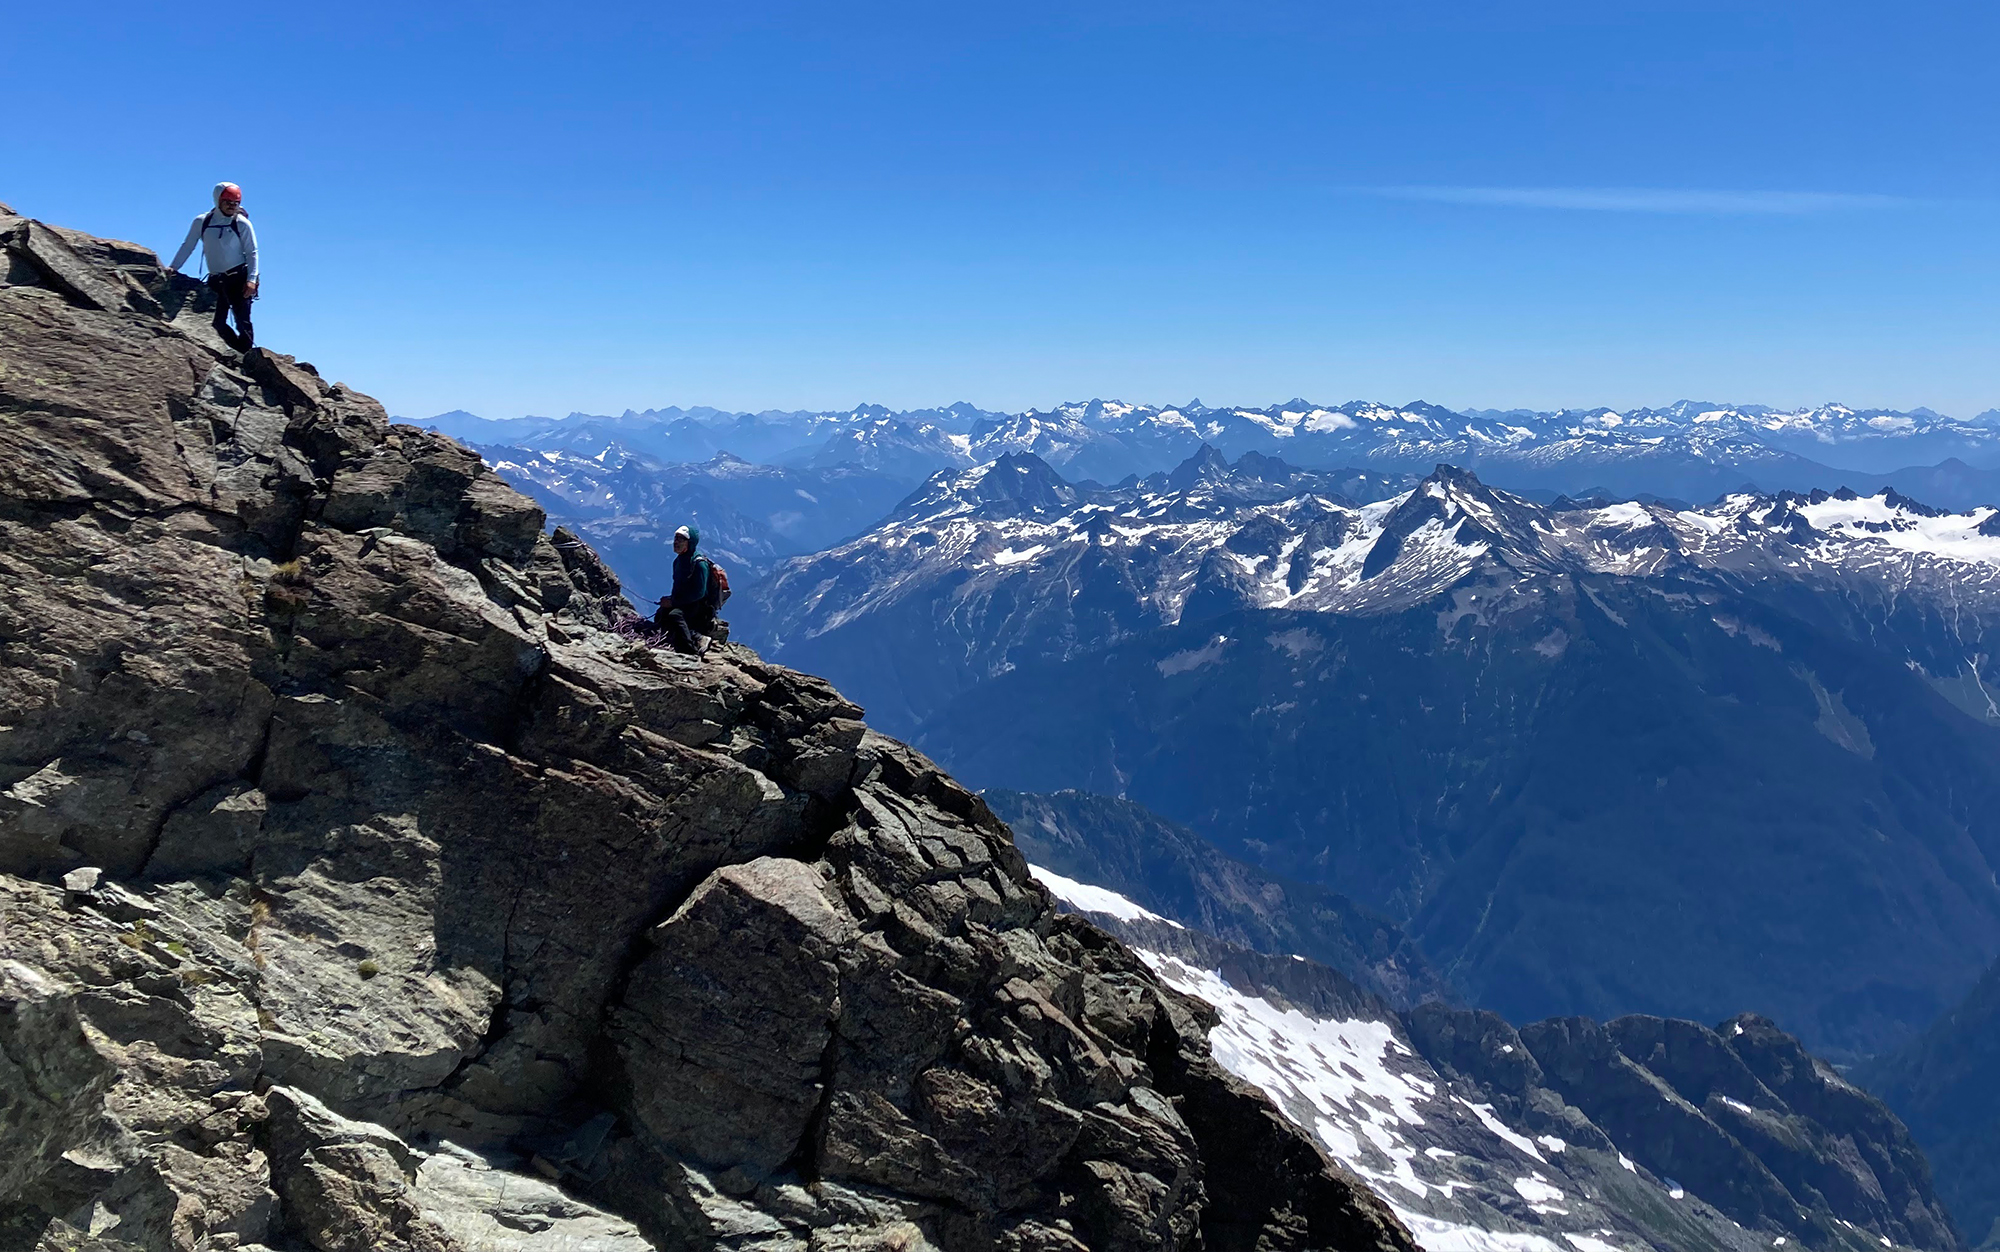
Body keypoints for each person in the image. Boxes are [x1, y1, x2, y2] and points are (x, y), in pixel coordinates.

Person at [167, 183, 259, 351]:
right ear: (218, 200)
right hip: (217, 280)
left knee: (242, 322)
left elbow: (252, 252)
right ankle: (236, 354)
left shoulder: (242, 223)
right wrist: (173, 268)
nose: (232, 206)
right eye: (228, 201)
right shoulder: (202, 222)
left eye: (236, 203)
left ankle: (246, 358)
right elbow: (188, 246)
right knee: (216, 322)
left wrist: (251, 279)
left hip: (239, 277)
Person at [654, 524, 715, 655]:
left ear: (690, 542)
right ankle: (680, 638)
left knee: (675, 615)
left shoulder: (699, 564)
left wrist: (674, 603)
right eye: (676, 538)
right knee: (661, 614)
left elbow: (699, 593)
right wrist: (670, 600)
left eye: (681, 539)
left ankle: (692, 649)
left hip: (699, 607)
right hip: (685, 603)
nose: (676, 542)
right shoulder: (678, 561)